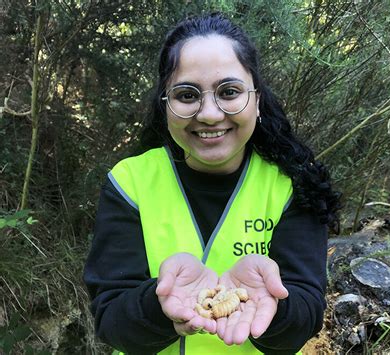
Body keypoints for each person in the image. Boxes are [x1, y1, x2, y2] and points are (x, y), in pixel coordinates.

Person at [84, 13, 339, 355]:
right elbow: (111, 321)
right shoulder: (129, 182)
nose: (209, 114)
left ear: (257, 99)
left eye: (229, 92)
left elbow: (304, 318)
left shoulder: (293, 185)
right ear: (166, 106)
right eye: (187, 95)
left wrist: (274, 306)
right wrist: (161, 303)